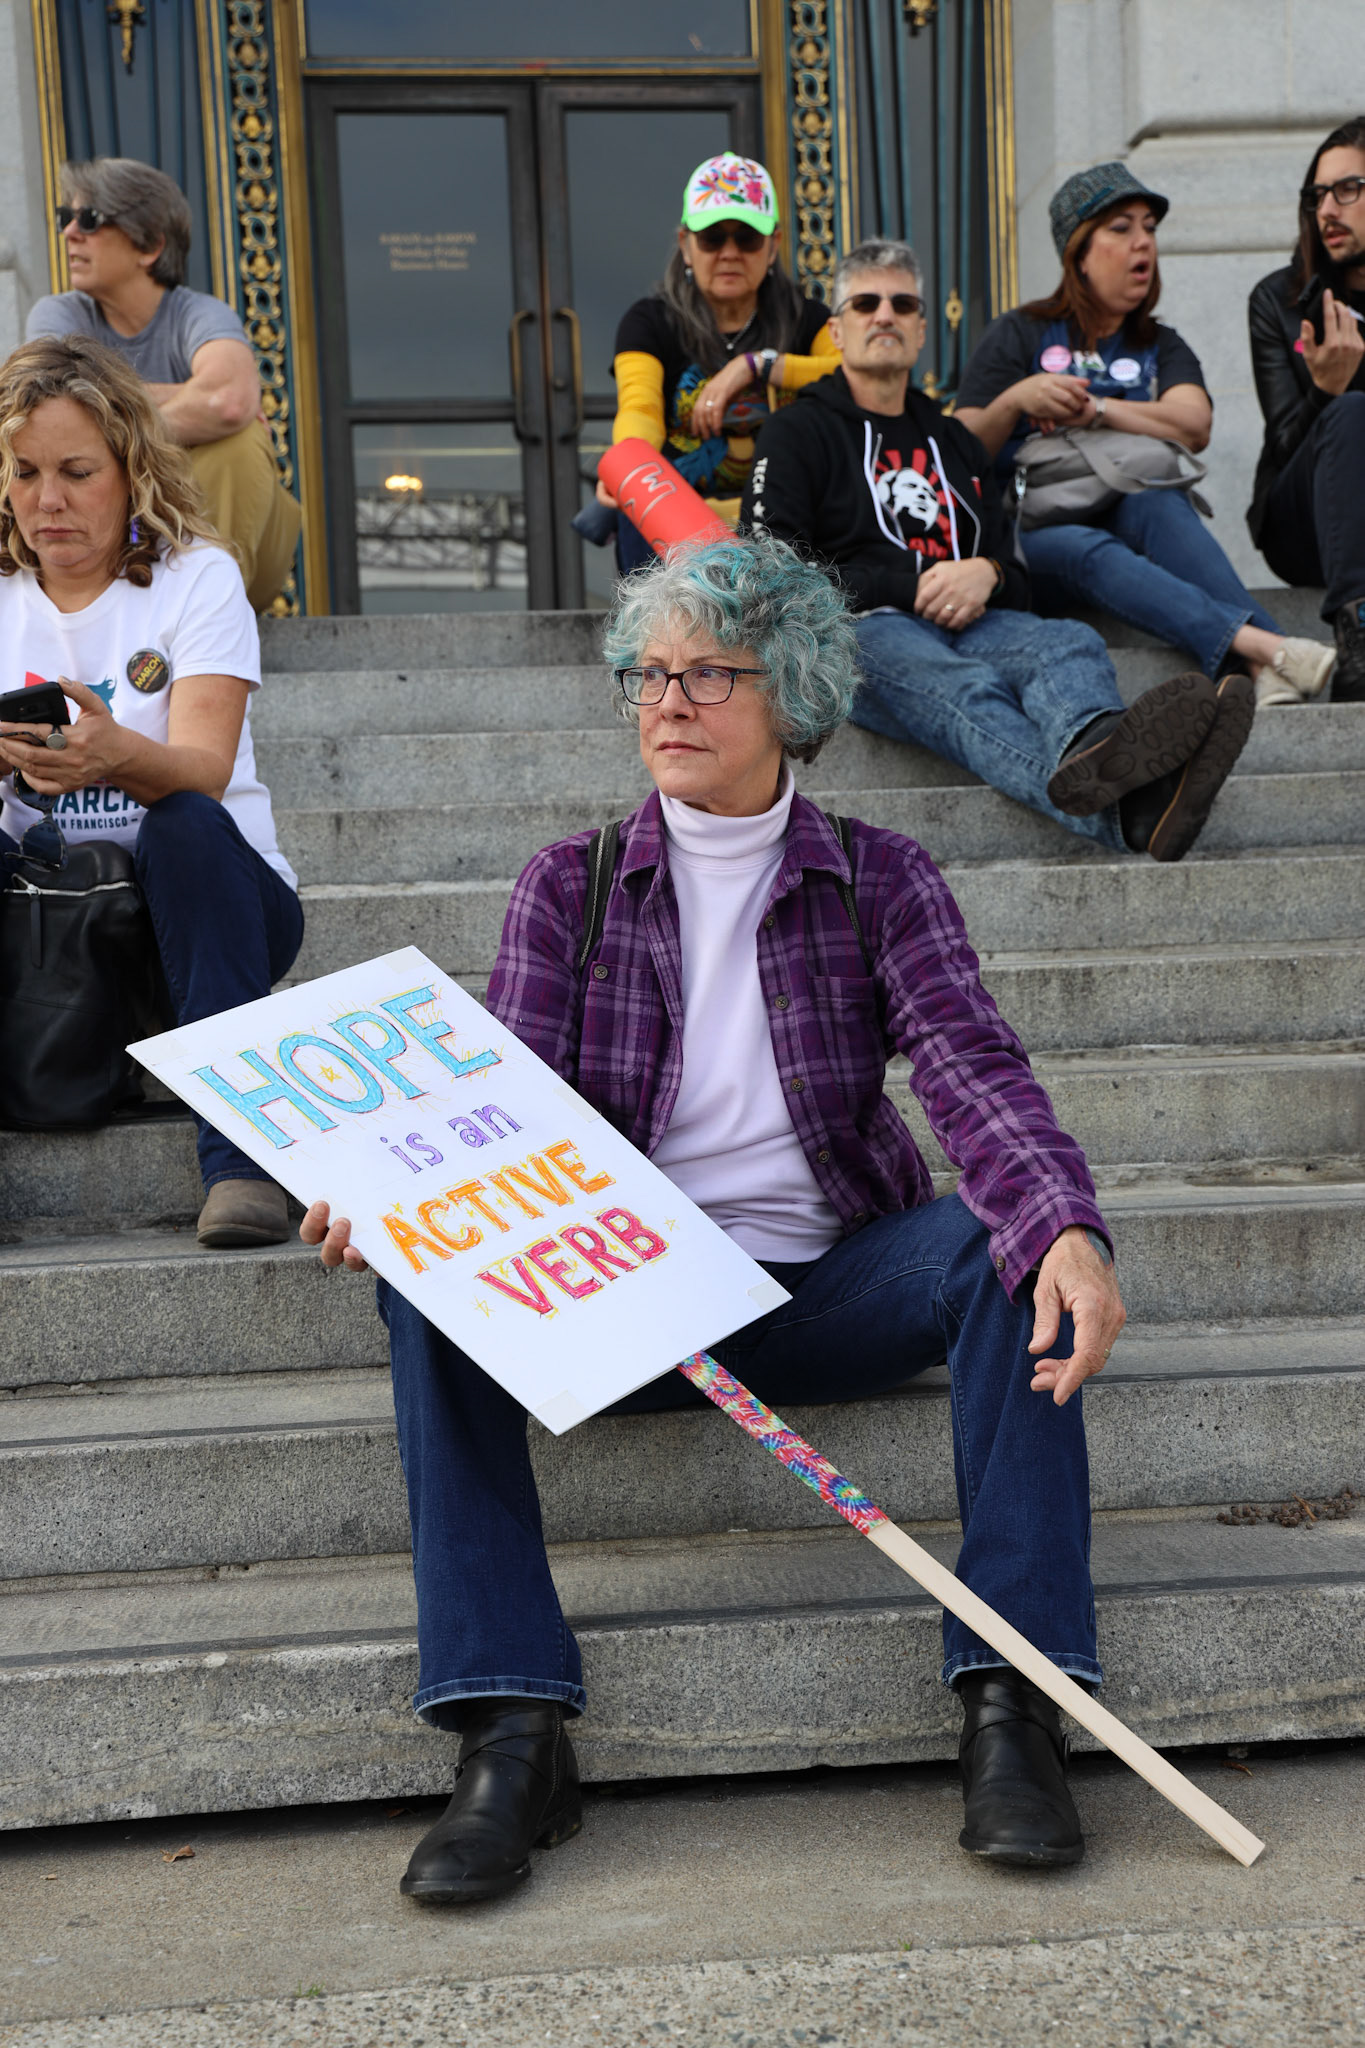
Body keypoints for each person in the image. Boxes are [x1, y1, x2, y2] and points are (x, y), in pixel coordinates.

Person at [303, 532, 1128, 1902]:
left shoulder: (880, 876)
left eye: (706, 674)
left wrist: (1065, 1227)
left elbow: (971, 1066)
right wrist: (399, 1208)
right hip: (624, 1302)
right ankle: (511, 1731)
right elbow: (501, 1124)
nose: (667, 701)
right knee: (424, 1291)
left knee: (1010, 1249)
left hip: (827, 1286)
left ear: (791, 692)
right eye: (648, 673)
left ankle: (1015, 1705)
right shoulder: (568, 884)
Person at [742, 237, 1254, 863]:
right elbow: (772, 573)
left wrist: (987, 573)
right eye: (866, 304)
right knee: (965, 688)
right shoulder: (794, 431)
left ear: (922, 329)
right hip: (861, 630)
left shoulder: (955, 441)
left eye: (903, 304)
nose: (885, 316)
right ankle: (1135, 811)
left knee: (1068, 641)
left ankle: (1096, 742)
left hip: (976, 620)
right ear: (837, 331)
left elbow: (1015, 569)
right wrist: (910, 585)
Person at [0, 335, 302, 1247]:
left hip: (212, 912)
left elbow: (204, 766)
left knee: (183, 823)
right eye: (25, 472)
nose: (47, 501)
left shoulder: (196, 577)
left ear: (131, 469)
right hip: (47, 925)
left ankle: (241, 1163)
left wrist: (112, 754)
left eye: (76, 472)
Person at [954, 163, 1333, 710]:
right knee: (1086, 547)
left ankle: (1258, 663)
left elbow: (1194, 425)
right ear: (1079, 253)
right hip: (1029, 536)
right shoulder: (1020, 332)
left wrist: (1098, 409)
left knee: (1159, 504)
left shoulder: (1160, 343)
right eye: (1121, 228)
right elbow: (960, 447)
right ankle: (1270, 647)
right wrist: (1017, 399)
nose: (1143, 243)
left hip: (1131, 514)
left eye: (1150, 229)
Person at [25, 157, 301, 614]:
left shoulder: (200, 314)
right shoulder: (59, 315)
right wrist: (186, 398)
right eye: (65, 217)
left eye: (89, 218)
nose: (70, 232)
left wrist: (104, 416)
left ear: (150, 245)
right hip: (118, 548)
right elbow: (49, 412)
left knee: (241, 439)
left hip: (234, 549)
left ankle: (209, 614)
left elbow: (228, 402)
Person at [594, 153, 839, 574]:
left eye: (747, 238)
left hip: (785, 518)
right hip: (679, 519)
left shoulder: (810, 319)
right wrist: (630, 463)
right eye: (711, 238)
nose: (729, 253)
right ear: (685, 245)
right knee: (638, 503)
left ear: (774, 245)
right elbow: (640, 407)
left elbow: (851, 376)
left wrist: (756, 366)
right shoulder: (649, 321)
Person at [1247, 116, 1365, 700]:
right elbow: (1284, 446)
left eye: (1348, 189)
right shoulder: (1280, 301)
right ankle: (1358, 631)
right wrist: (1324, 390)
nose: (1327, 210)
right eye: (1318, 195)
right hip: (1304, 523)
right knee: (1349, 411)